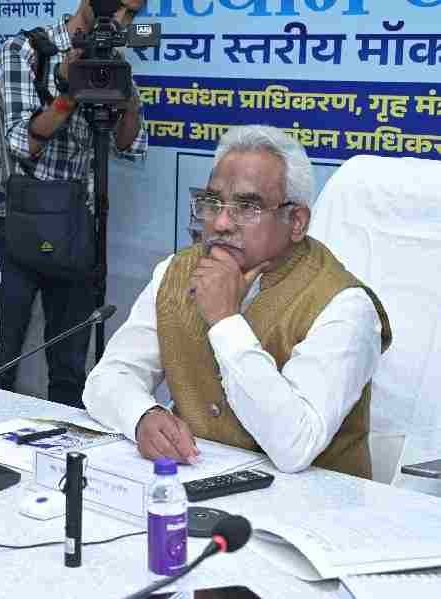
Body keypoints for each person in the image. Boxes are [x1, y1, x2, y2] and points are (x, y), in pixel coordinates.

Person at [83, 125, 392, 479]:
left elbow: (295, 446)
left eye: (248, 207)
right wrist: (141, 415)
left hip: (312, 504)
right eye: (212, 202)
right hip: (195, 486)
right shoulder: (176, 272)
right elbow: (109, 378)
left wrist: (225, 321)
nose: (221, 223)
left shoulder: (344, 306)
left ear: (296, 222)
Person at [0, 0, 147, 408]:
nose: (122, 21)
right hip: (12, 224)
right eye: (119, 9)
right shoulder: (24, 50)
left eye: (133, 15)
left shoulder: (111, 58)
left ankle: (64, 445)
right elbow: (22, 143)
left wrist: (127, 97)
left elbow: (130, 145)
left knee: (70, 368)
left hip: (74, 226)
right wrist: (69, 92)